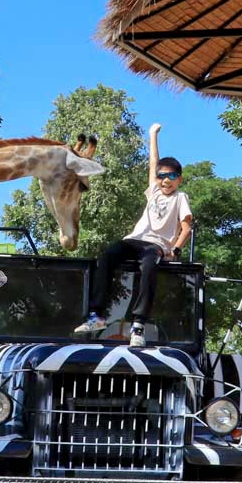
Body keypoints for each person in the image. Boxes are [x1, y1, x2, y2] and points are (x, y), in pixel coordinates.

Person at [74, 122, 193, 348]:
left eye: (172, 176)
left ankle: (138, 325)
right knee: (107, 255)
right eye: (162, 175)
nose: (166, 179)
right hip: (134, 240)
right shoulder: (154, 190)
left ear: (180, 179)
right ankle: (96, 315)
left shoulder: (180, 197)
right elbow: (153, 161)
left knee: (148, 267)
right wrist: (152, 135)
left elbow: (186, 227)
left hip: (155, 245)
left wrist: (175, 249)